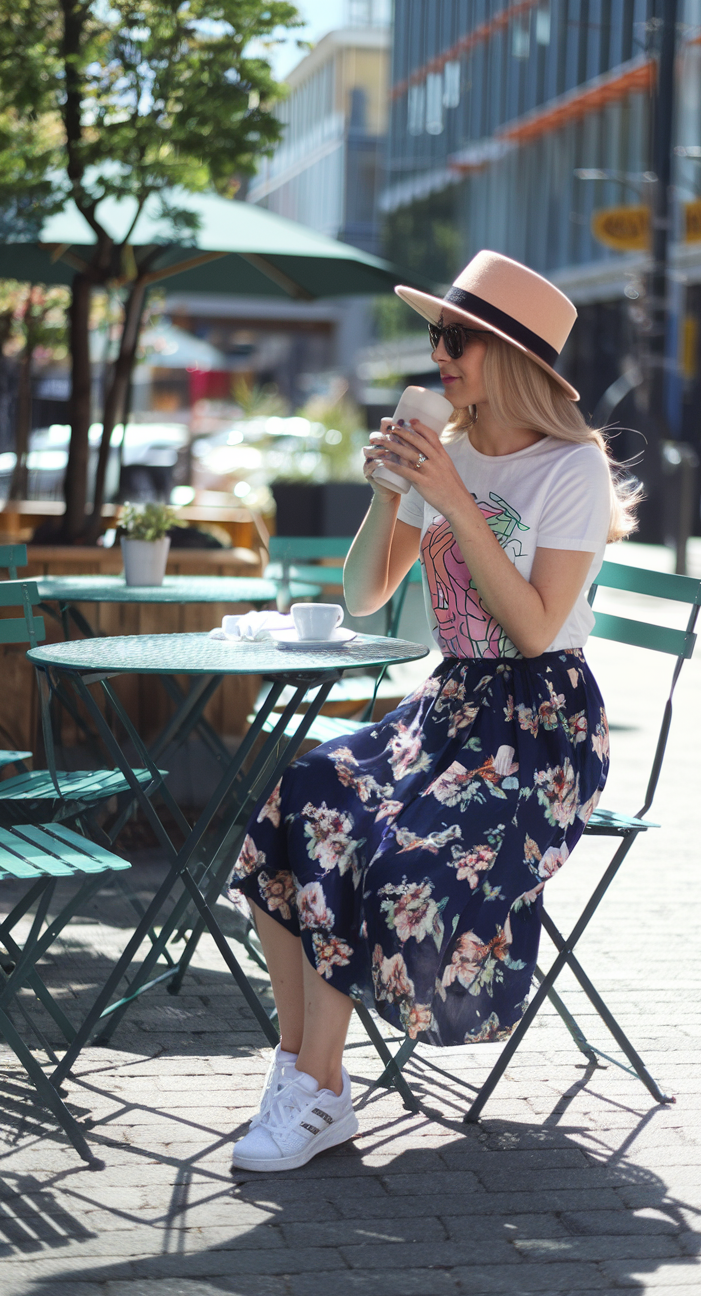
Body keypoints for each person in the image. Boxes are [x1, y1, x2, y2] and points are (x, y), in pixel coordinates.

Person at [228, 251, 638, 1173]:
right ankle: (309, 1080)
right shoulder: (439, 452)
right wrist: (391, 498)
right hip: (449, 705)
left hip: (541, 727)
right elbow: (368, 594)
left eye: (458, 337)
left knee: (387, 844)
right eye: (436, 334)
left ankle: (315, 1082)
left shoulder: (571, 468)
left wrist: (455, 499)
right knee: (305, 795)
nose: (438, 352)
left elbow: (536, 632)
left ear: (511, 357)